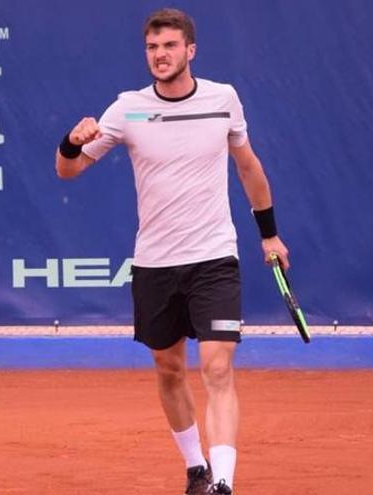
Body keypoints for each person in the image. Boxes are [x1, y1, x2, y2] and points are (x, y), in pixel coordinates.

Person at [55, 8, 288, 495]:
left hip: (214, 257)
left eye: (169, 46)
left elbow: (248, 167)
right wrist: (72, 142)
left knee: (218, 367)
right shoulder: (128, 109)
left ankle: (224, 483)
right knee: (169, 368)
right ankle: (196, 469)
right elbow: (68, 172)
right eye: (152, 48)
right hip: (155, 262)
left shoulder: (223, 99)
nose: (160, 56)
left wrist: (268, 233)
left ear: (190, 51)